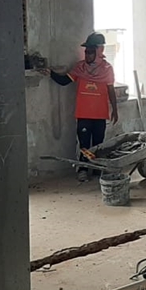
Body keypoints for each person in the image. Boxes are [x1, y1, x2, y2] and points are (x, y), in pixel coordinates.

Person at [40, 33, 119, 180]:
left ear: (99, 51)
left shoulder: (107, 69)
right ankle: (83, 168)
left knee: (98, 144)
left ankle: (97, 169)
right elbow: (64, 81)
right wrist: (51, 74)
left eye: (90, 52)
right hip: (83, 113)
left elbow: (111, 90)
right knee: (84, 143)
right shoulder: (80, 68)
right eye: (86, 52)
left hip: (100, 114)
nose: (87, 55)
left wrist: (115, 109)